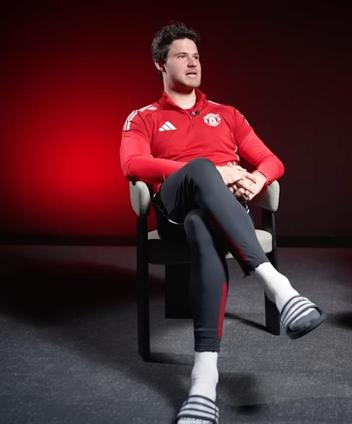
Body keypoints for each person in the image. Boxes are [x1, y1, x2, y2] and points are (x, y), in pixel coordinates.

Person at [120, 22, 325, 424]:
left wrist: (257, 178)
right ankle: (279, 287)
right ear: (160, 63)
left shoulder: (227, 114)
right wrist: (214, 170)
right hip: (173, 210)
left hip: (218, 214)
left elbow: (271, 160)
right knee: (199, 172)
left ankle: (203, 381)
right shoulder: (144, 117)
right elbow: (133, 164)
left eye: (196, 56)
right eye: (182, 56)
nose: (193, 63)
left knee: (202, 223)